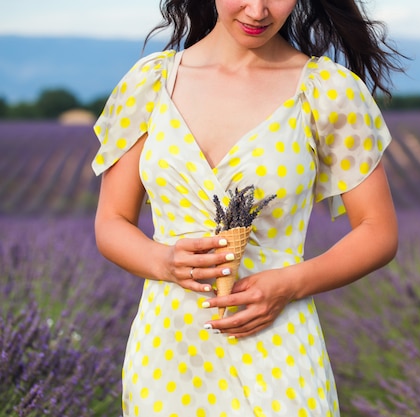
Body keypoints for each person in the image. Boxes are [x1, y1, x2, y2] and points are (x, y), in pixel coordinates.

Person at [91, 0, 402, 415]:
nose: (258, 10)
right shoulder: (149, 83)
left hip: (278, 347)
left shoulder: (328, 92)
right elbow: (111, 222)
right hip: (167, 354)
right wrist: (162, 260)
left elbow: (378, 230)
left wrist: (292, 283)